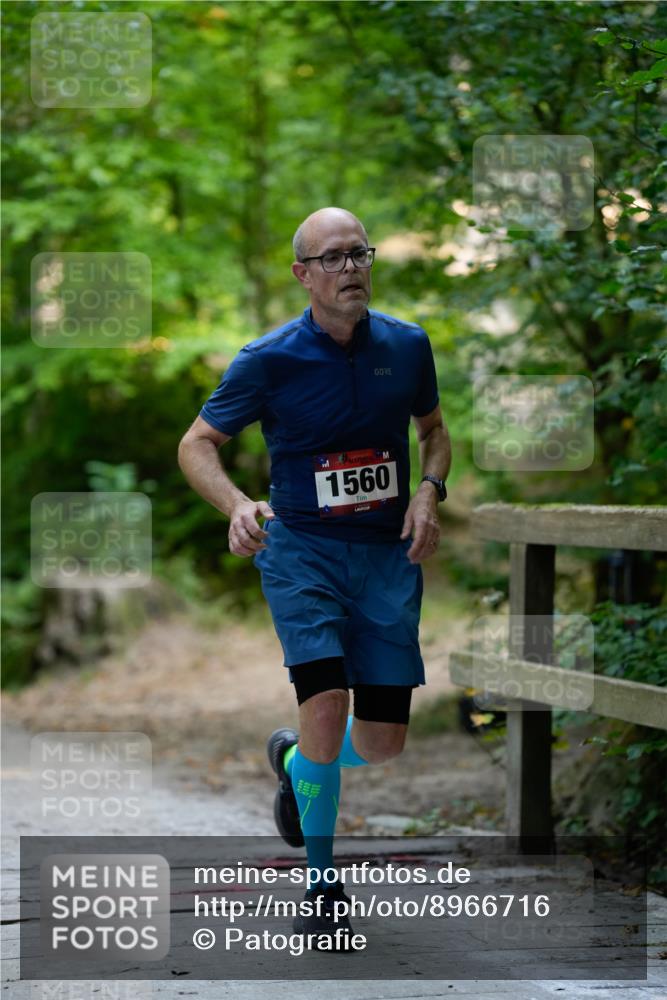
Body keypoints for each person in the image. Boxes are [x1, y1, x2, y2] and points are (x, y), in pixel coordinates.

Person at [178, 207, 451, 948]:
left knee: (384, 741)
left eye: (358, 253)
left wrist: (429, 489)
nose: (350, 267)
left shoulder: (407, 344)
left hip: (385, 557)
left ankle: (296, 761)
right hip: (300, 551)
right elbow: (198, 443)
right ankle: (323, 885)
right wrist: (236, 505)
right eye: (331, 258)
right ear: (302, 274)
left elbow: (431, 430)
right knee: (325, 701)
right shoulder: (268, 358)